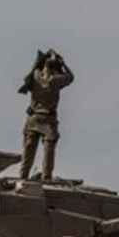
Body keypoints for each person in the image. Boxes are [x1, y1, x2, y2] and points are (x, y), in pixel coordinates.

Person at [17, 48, 74, 181]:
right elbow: (71, 77)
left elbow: (28, 77)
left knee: (29, 147)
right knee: (49, 148)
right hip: (48, 119)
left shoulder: (36, 75)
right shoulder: (55, 80)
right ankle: (46, 176)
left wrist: (40, 61)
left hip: (32, 117)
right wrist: (63, 64)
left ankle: (23, 174)